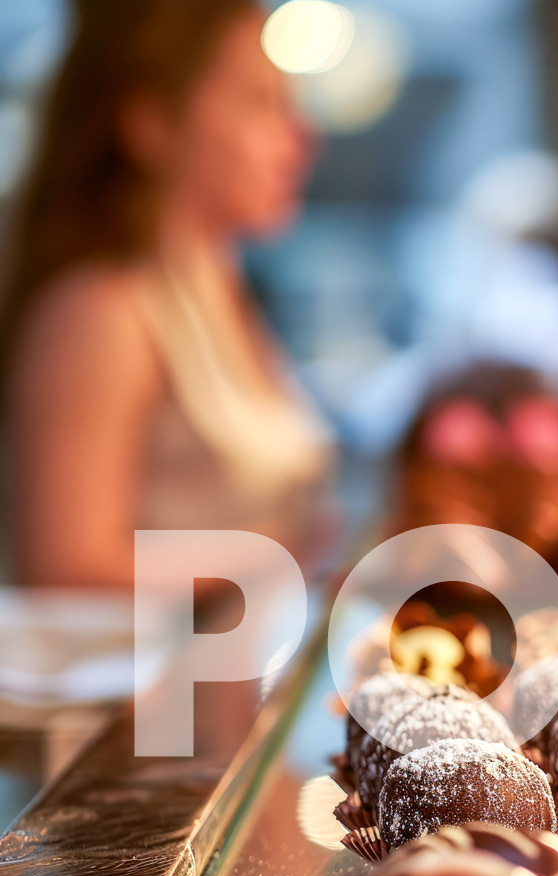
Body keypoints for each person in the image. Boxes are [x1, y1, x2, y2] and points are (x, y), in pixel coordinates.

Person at [2, 0, 336, 590]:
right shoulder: (102, 310)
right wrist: (279, 552)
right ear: (151, 121)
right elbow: (64, 566)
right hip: (143, 681)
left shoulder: (214, 289)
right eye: (262, 103)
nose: (303, 134)